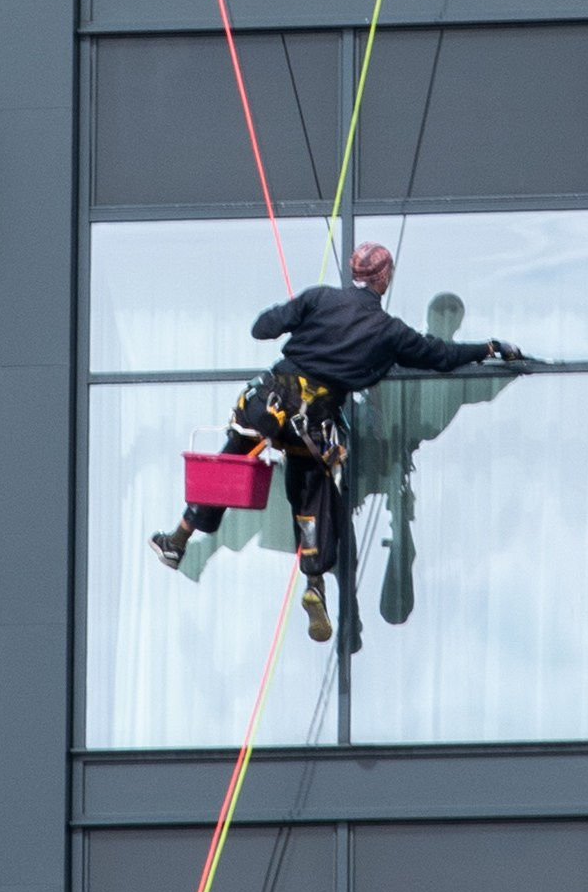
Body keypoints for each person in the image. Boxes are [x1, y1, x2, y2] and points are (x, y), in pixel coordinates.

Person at [151, 242, 524, 643]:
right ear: (385, 278)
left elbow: (261, 328)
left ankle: (180, 538)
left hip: (270, 400)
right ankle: (314, 585)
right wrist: (490, 348)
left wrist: (294, 314)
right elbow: (442, 356)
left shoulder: (320, 298)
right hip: (313, 423)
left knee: (229, 466)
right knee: (312, 501)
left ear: (353, 274)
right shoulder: (389, 331)